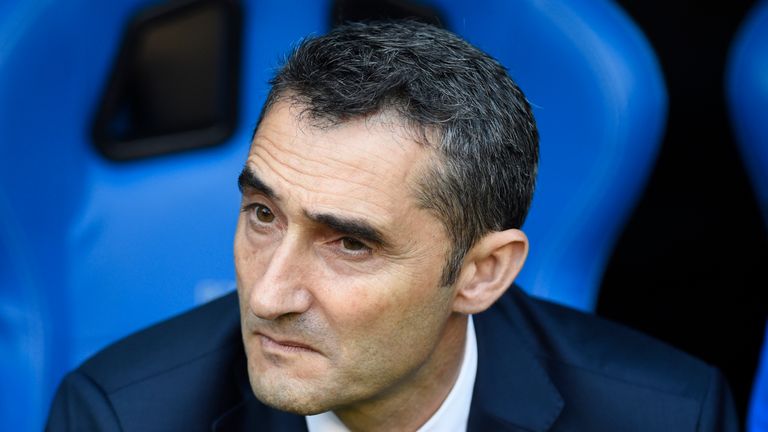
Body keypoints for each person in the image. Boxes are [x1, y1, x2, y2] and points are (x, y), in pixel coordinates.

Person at [46, 20, 739, 431]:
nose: (267, 296)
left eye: (349, 243)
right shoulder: (121, 416)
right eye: (262, 214)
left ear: (482, 272)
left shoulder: (666, 415)